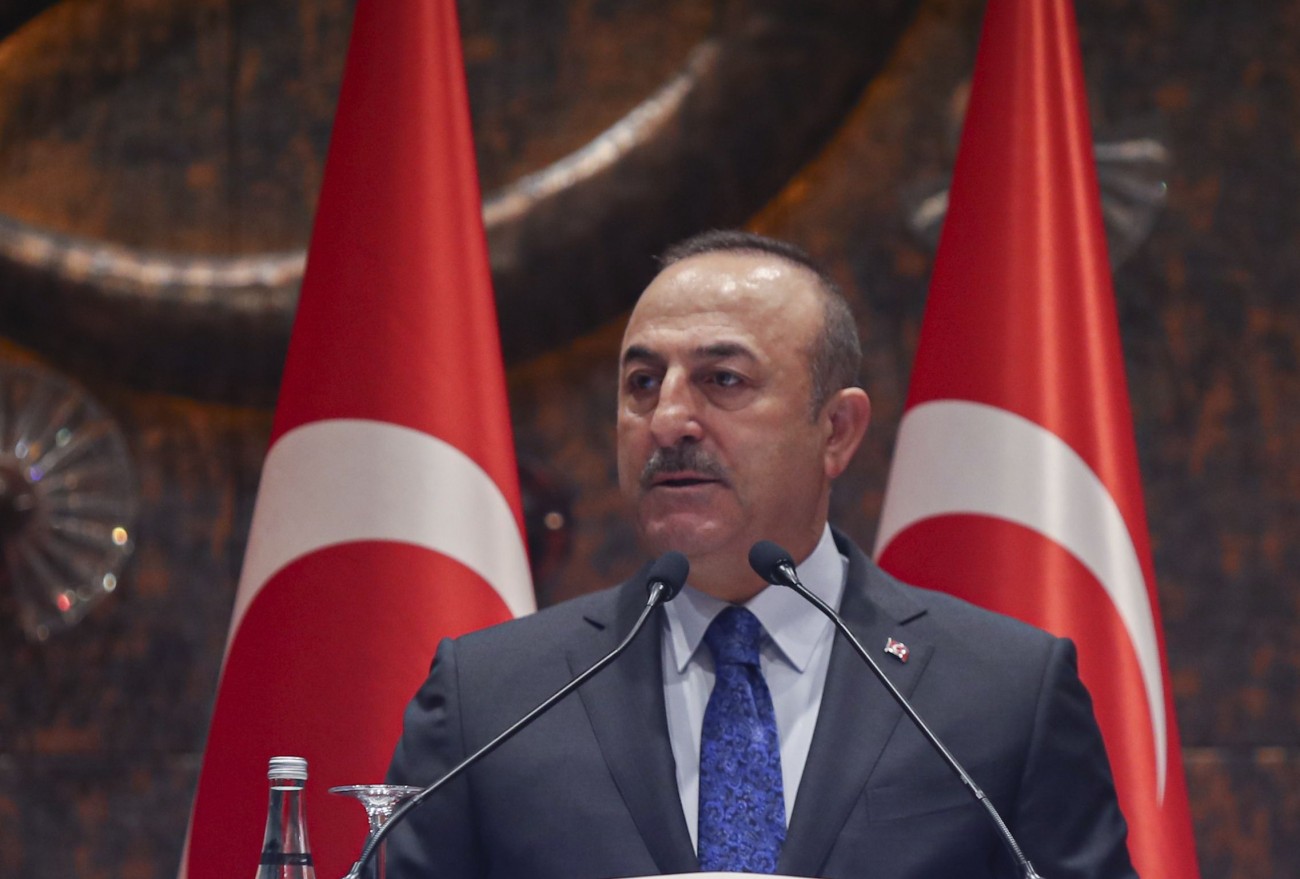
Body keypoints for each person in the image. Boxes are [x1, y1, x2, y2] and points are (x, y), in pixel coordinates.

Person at [384, 230, 1137, 879]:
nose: (668, 419)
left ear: (836, 431)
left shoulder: (1004, 693)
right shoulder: (492, 700)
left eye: (723, 380)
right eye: (643, 382)